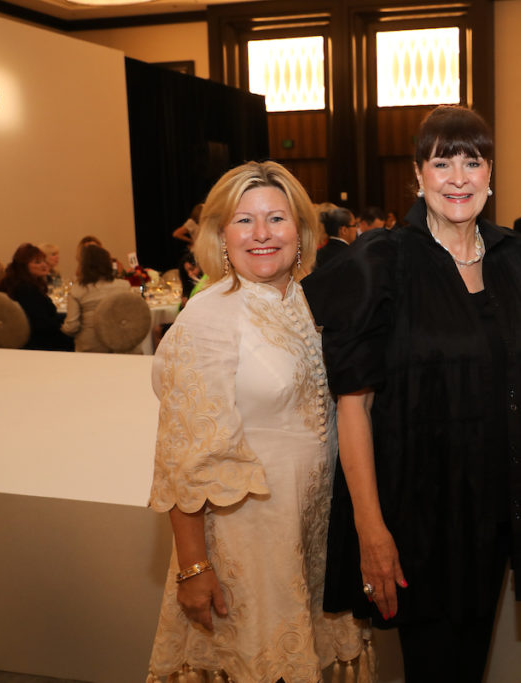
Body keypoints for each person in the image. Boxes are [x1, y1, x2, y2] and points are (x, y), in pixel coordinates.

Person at [302, 106, 521, 682]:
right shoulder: (383, 261)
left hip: (495, 515)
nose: (458, 178)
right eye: (442, 163)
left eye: (473, 161)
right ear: (418, 175)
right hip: (416, 520)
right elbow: (354, 406)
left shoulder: (516, 259)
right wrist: (371, 530)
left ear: (491, 173)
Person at [146, 161, 372, 682]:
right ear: (221, 235)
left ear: (301, 230)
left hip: (315, 526)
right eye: (244, 221)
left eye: (276, 218)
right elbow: (184, 458)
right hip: (247, 540)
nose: (262, 234)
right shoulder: (209, 317)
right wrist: (194, 568)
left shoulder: (310, 301)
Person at [0, 244, 73, 351]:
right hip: (37, 342)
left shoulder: (17, 283)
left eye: (44, 261)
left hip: (33, 337)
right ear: (24, 266)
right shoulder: (25, 289)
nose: (44, 265)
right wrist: (67, 322)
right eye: (37, 262)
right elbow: (42, 324)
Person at [61, 244, 134, 352]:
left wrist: (60, 328)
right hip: (120, 344)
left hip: (90, 347)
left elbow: (72, 327)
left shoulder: (77, 290)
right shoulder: (124, 286)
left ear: (83, 266)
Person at [315, 206, 357, 270]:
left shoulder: (318, 254)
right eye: (354, 225)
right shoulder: (351, 255)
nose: (356, 229)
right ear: (344, 230)